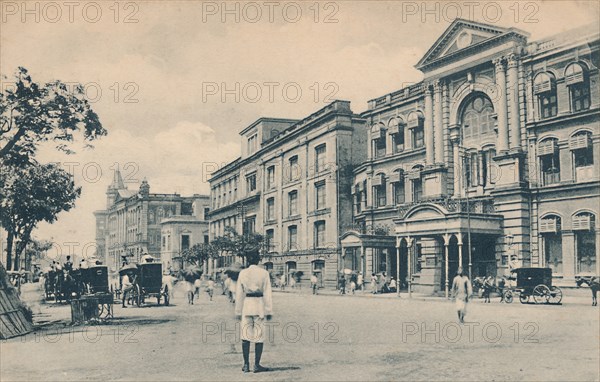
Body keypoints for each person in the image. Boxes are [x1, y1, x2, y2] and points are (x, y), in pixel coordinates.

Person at [235, 251, 273, 373]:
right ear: (258, 260)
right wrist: (269, 310)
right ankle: (256, 365)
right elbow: (268, 293)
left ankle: (246, 365)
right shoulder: (264, 273)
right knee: (259, 336)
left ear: (247, 259)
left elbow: (239, 293)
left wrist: (238, 311)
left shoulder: (243, 273)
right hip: (259, 305)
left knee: (245, 335)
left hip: (247, 305)